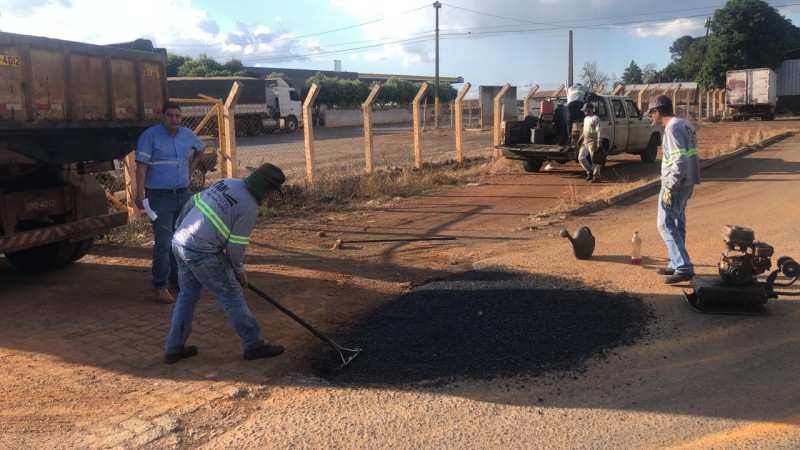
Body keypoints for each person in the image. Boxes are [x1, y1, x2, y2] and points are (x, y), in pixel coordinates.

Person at [163, 163, 288, 364]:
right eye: (271, 193)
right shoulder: (249, 206)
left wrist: (180, 227)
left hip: (180, 243)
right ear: (264, 187)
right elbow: (235, 248)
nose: (270, 198)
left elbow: (193, 201)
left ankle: (174, 347)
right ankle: (253, 344)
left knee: (187, 295)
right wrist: (239, 272)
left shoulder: (226, 182)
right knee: (232, 296)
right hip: (201, 252)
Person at [135, 102, 205, 304]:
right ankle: (159, 285)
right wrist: (139, 192)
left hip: (183, 196)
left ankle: (176, 280)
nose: (174, 119)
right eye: (170, 116)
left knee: (181, 240)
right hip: (159, 198)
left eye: (177, 116)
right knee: (164, 243)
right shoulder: (150, 136)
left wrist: (190, 169)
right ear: (162, 116)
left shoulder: (187, 135)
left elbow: (201, 149)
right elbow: (141, 166)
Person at [647, 95, 700, 285]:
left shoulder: (671, 128)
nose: (651, 117)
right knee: (677, 222)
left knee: (664, 224)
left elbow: (679, 159)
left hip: (675, 183)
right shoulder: (685, 124)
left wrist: (670, 185)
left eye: (651, 113)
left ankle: (683, 266)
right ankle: (675, 262)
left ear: (657, 111)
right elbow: (689, 155)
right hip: (688, 181)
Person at [577, 102, 603, 183]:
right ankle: (590, 171)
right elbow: (585, 131)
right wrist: (580, 139)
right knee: (581, 158)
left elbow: (599, 130)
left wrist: (599, 141)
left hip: (593, 142)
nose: (584, 111)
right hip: (585, 141)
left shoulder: (596, 118)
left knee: (594, 159)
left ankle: (597, 176)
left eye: (586, 110)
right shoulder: (586, 119)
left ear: (591, 109)